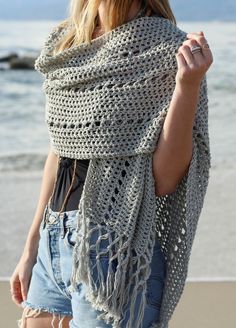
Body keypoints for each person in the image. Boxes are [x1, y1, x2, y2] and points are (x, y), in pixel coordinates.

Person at [10, 1, 213, 327]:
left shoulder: (168, 48)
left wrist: (187, 86)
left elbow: (165, 181)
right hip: (54, 242)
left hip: (115, 249)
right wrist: (31, 245)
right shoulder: (69, 43)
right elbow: (60, 150)